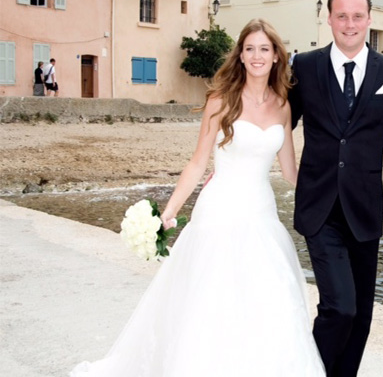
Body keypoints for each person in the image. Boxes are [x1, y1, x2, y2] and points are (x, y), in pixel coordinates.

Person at [70, 19, 325, 376]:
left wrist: (330, 202)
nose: (256, 56)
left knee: (266, 301)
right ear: (239, 56)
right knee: (211, 302)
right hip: (218, 212)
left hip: (261, 215)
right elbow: (197, 162)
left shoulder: (283, 105)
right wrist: (170, 212)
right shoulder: (221, 101)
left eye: (264, 49)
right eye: (249, 48)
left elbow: (290, 172)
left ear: (276, 57)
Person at [289, 0, 383, 376]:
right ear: (328, 18)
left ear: (369, 19)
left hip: (365, 210)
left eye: (357, 16)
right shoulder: (305, 67)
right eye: (341, 16)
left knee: (360, 315)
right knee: (340, 307)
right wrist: (231, 162)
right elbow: (280, 125)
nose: (350, 24)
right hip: (319, 207)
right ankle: (307, 370)